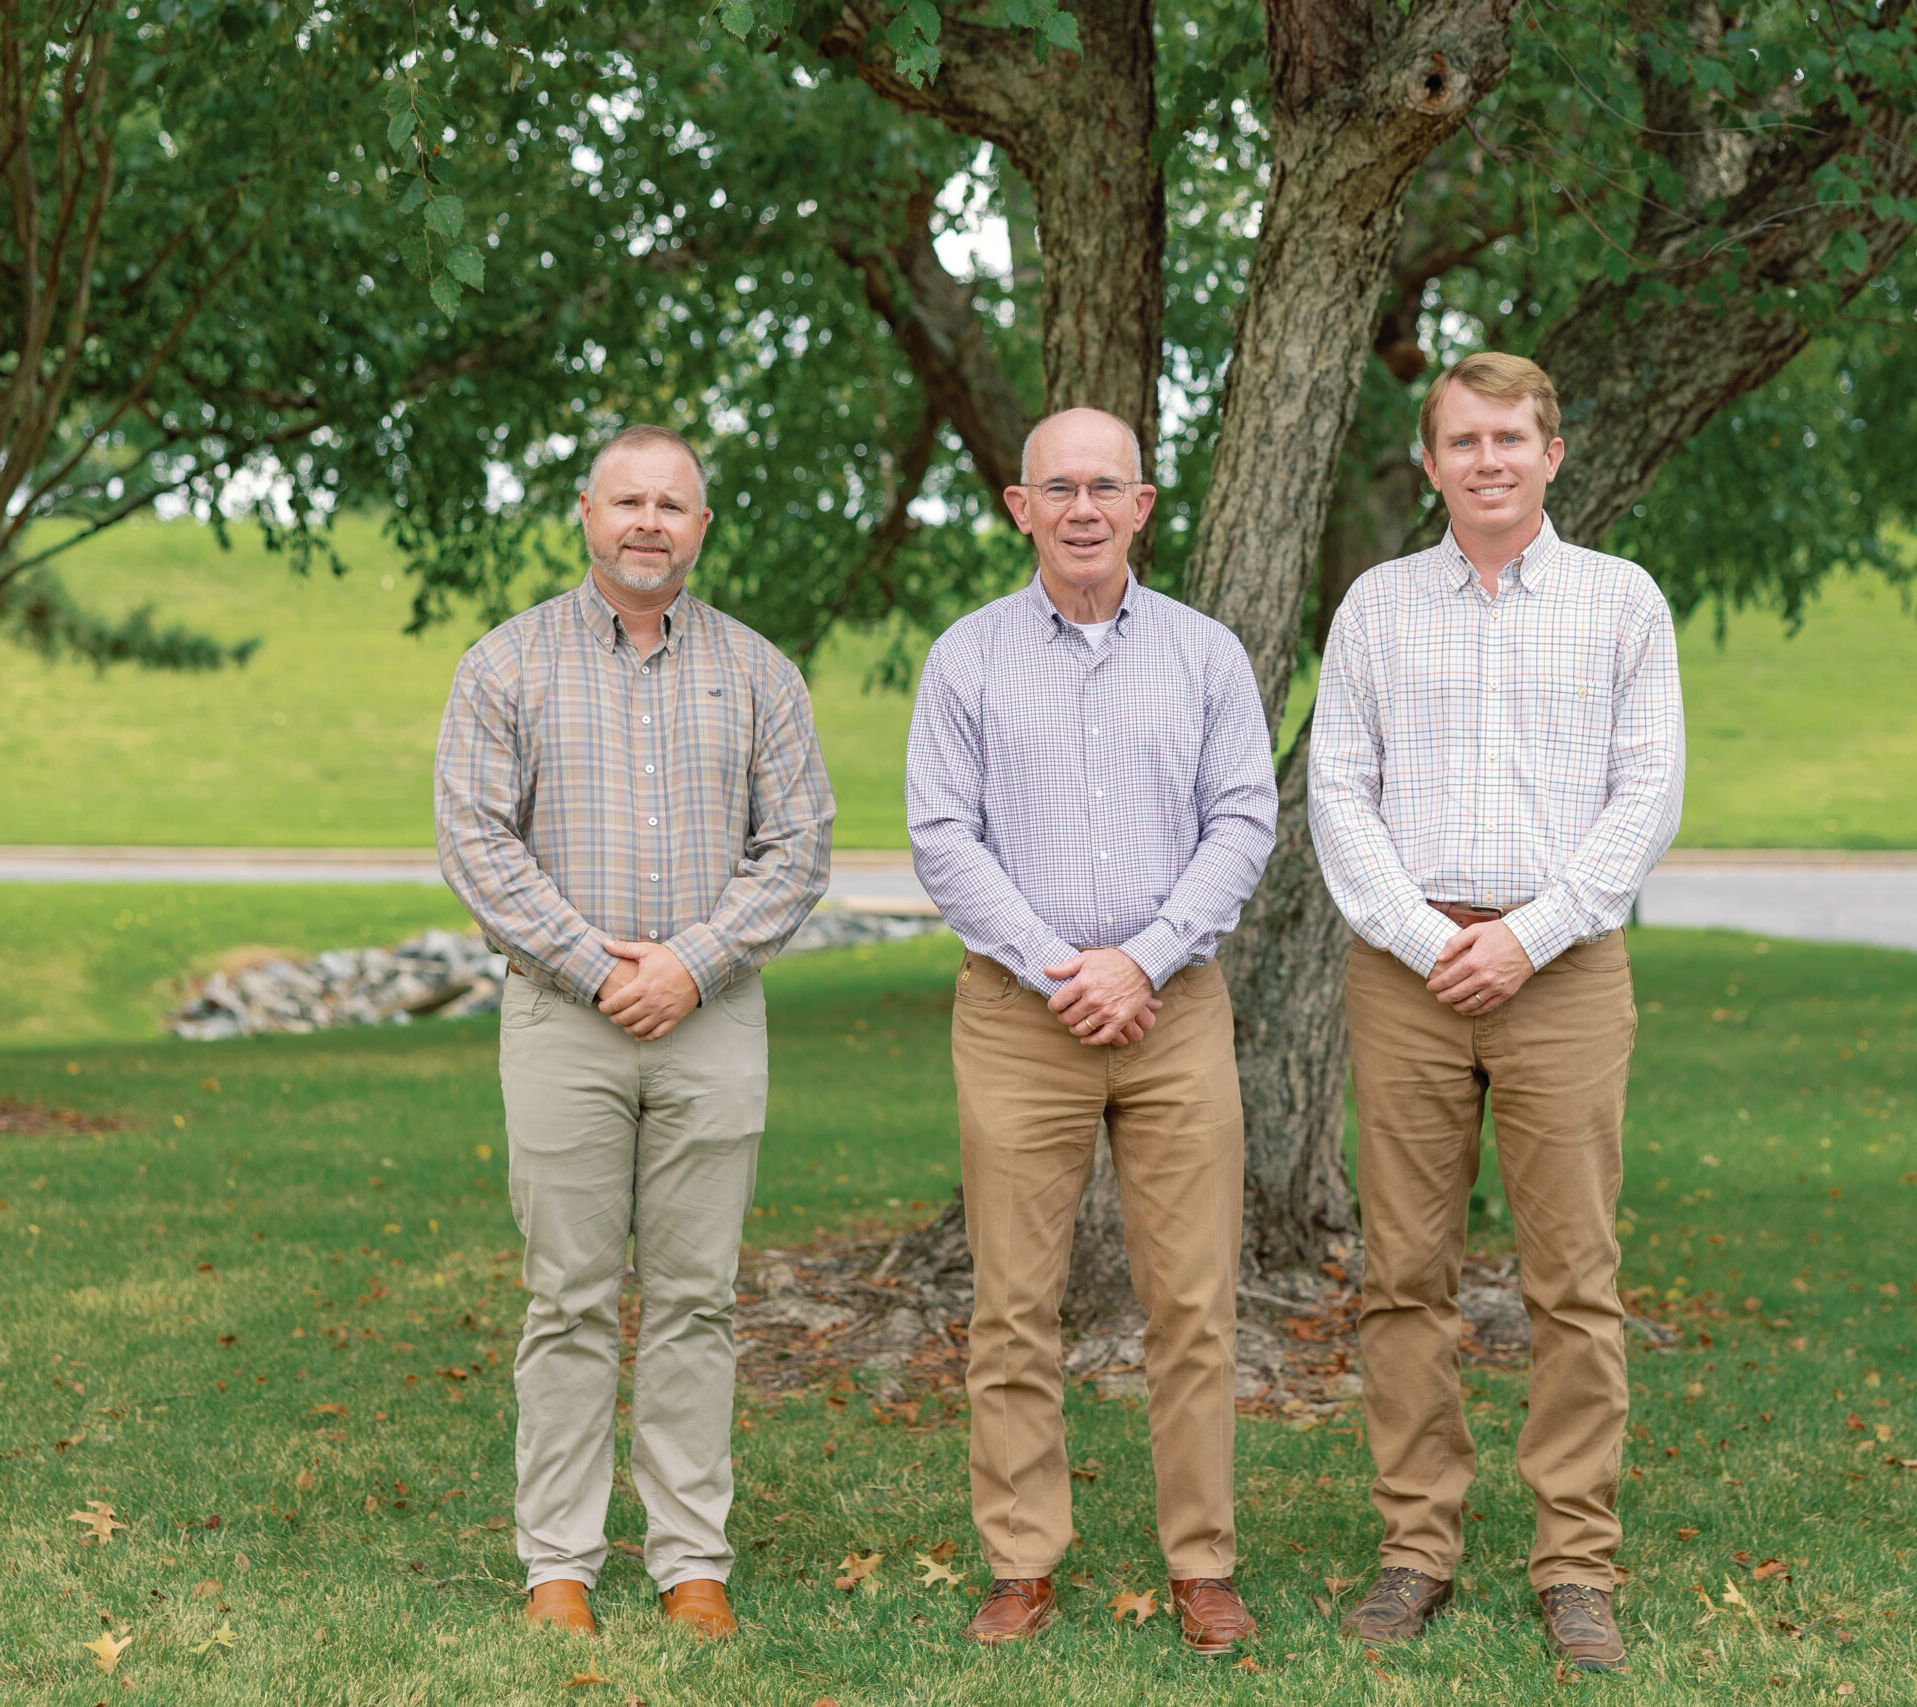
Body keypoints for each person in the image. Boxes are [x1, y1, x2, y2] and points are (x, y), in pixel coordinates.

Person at [1309, 353, 1684, 1672]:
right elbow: (1339, 790)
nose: (1487, 459)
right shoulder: (1377, 607)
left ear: (1554, 451)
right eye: (1462, 440)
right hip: (1406, 971)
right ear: (1429, 463)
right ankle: (1416, 1545)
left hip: (1565, 964)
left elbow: (1647, 796)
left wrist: (1523, 937)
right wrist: (1428, 938)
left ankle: (1575, 1558)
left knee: (1572, 1279)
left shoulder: (1621, 603)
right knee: (1401, 1274)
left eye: (1511, 436)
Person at [436, 425, 834, 1641]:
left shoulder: (759, 671)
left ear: (701, 527)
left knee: (696, 1299)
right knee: (565, 1295)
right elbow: (477, 843)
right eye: (629, 501)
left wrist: (691, 964)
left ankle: (688, 1561)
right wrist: (599, 970)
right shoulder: (504, 666)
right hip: (565, 1023)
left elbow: (801, 844)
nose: (650, 522)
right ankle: (558, 1559)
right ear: (587, 514)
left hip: (712, 1022)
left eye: (674, 504)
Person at [906, 407, 1278, 1657]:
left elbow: (1242, 820)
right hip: (1021, 1015)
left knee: (1193, 1302)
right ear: (1019, 507)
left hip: (1175, 1014)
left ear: (1142, 506)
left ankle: (1202, 1565)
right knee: (1015, 1305)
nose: (1079, 508)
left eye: (1102, 487)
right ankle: (1020, 1561)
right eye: (1055, 487)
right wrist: (1063, 966)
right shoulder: (964, 658)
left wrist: (1142, 960)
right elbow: (941, 835)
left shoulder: (1205, 655)